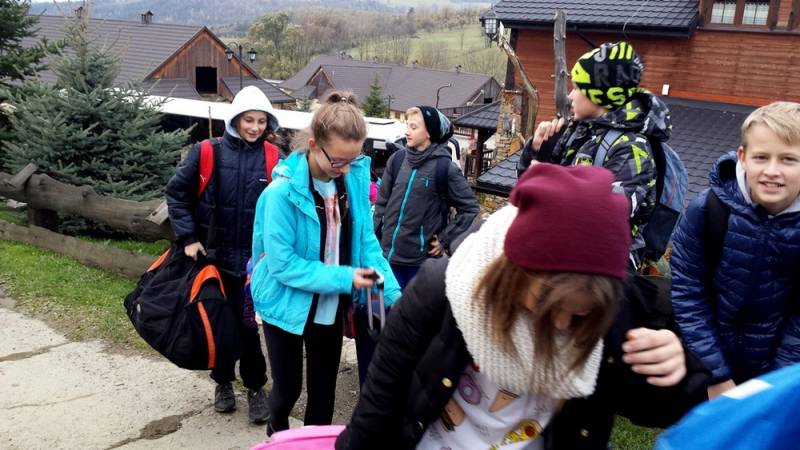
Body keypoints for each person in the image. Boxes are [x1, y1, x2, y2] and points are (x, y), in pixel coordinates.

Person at [336, 163, 709, 450]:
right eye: (545, 306)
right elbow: (380, 400)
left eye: (578, 315)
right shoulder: (446, 291)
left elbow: (651, 406)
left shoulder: (608, 314)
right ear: (513, 274)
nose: (562, 324)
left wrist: (678, 368)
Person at [249, 91, 401, 435]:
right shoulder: (280, 195)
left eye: (352, 160)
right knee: (287, 391)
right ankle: (277, 436)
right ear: (313, 144)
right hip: (285, 306)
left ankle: (312, 442)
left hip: (329, 307)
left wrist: (395, 298)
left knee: (323, 394)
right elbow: (283, 265)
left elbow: (367, 245)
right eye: (338, 161)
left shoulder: (350, 183)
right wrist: (347, 277)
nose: (345, 169)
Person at [165, 85, 279, 424]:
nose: (255, 127)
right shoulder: (207, 151)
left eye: (261, 121)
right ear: (236, 119)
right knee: (218, 323)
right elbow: (177, 193)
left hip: (253, 264)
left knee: (247, 328)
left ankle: (255, 387)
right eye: (249, 120)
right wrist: (188, 237)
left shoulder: (274, 158)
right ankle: (223, 383)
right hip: (212, 259)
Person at [670, 101, 800, 399]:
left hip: (774, 370)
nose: (772, 171)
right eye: (761, 157)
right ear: (742, 157)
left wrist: (773, 384)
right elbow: (688, 290)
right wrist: (714, 373)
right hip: (703, 359)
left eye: (788, 160)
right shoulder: (709, 209)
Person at [517, 41, 669, 269]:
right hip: (564, 253)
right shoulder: (577, 131)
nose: (570, 96)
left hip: (604, 267)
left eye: (577, 87)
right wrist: (537, 149)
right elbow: (526, 190)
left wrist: (548, 182)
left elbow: (606, 215)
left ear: (599, 94)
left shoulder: (632, 148)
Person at [374, 105, 479, 289]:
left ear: (429, 132)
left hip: (419, 263)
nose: (407, 132)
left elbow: (470, 208)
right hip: (386, 257)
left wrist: (445, 240)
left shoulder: (445, 169)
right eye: (407, 126)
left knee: (411, 307)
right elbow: (381, 203)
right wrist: (374, 238)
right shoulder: (397, 160)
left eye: (414, 127)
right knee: (386, 306)